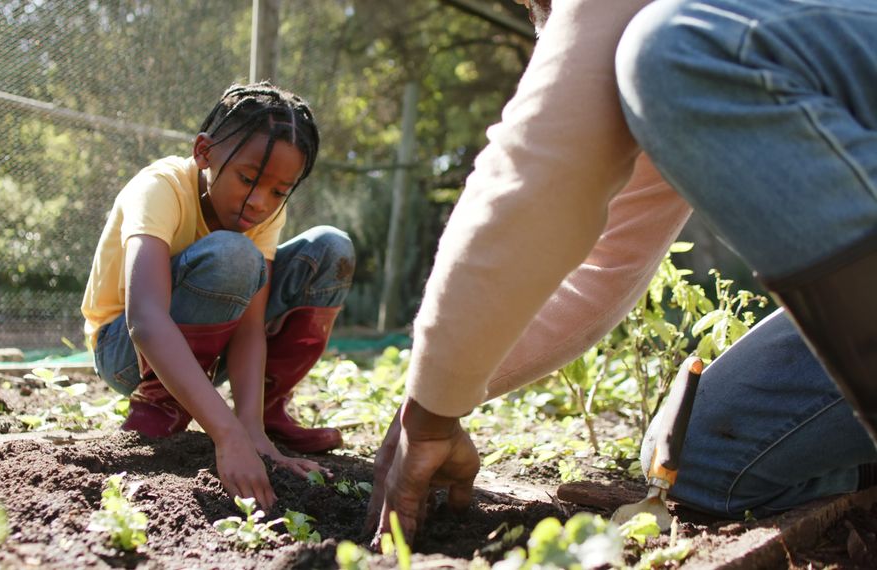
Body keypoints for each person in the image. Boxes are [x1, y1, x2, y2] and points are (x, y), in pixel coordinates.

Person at [367, 0, 877, 544]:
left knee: (674, 47)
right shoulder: (706, 54)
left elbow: (532, 174)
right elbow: (600, 266)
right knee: (703, 458)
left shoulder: (694, 43)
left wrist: (427, 420)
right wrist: (430, 406)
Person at [81, 82, 356, 509]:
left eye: (279, 191)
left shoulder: (262, 212)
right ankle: (161, 406)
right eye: (248, 179)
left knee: (330, 249)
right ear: (204, 152)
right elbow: (145, 319)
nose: (260, 202)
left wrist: (248, 429)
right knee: (234, 253)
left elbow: (251, 327)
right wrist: (226, 436)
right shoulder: (160, 188)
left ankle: (266, 413)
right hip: (125, 350)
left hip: (210, 348)